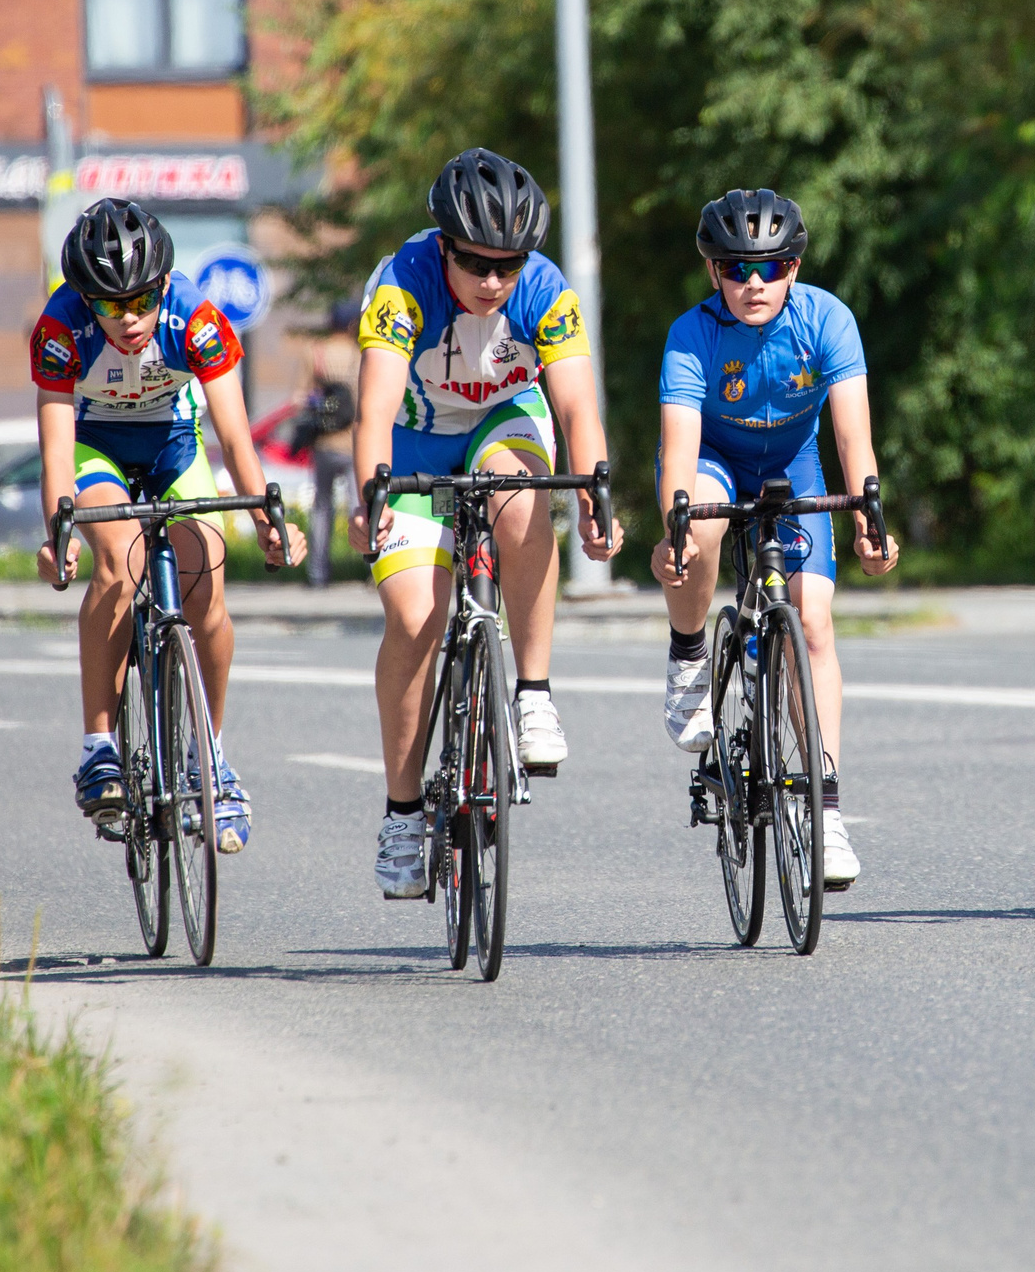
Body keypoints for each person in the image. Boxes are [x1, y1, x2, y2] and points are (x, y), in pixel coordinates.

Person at [347, 148, 622, 901]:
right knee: (413, 621)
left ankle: (532, 691)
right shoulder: (402, 287)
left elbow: (575, 407)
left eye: (510, 264)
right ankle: (404, 815)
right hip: (417, 441)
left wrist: (598, 498)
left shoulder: (544, 289)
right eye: (476, 264)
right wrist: (368, 496)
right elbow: (372, 411)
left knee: (522, 495)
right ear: (445, 249)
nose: (494, 281)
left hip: (503, 421)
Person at [32, 197, 305, 852]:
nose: (129, 319)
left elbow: (237, 437)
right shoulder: (60, 326)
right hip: (97, 448)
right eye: (110, 305)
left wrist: (269, 518)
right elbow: (56, 453)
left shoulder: (196, 317)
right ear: (85, 298)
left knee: (207, 575)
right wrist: (57, 538)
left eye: (142, 302)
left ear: (163, 288)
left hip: (173, 444)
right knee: (120, 562)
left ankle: (207, 754)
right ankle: (100, 746)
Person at [654, 189, 898, 891]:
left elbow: (853, 434)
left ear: (794, 268)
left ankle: (824, 812)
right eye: (735, 268)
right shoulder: (691, 334)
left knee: (814, 621)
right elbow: (679, 444)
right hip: (716, 459)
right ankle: (690, 656)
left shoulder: (828, 319)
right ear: (713, 273)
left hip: (793, 466)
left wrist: (867, 515)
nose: (753, 283)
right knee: (696, 519)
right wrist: (679, 520)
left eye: (771, 266)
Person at [294, 298, 363, 589]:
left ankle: (318, 574)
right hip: (354, 445)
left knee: (322, 508)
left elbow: (299, 397)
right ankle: (372, 570)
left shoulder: (317, 353)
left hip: (323, 445)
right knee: (360, 508)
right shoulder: (361, 355)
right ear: (351, 325)